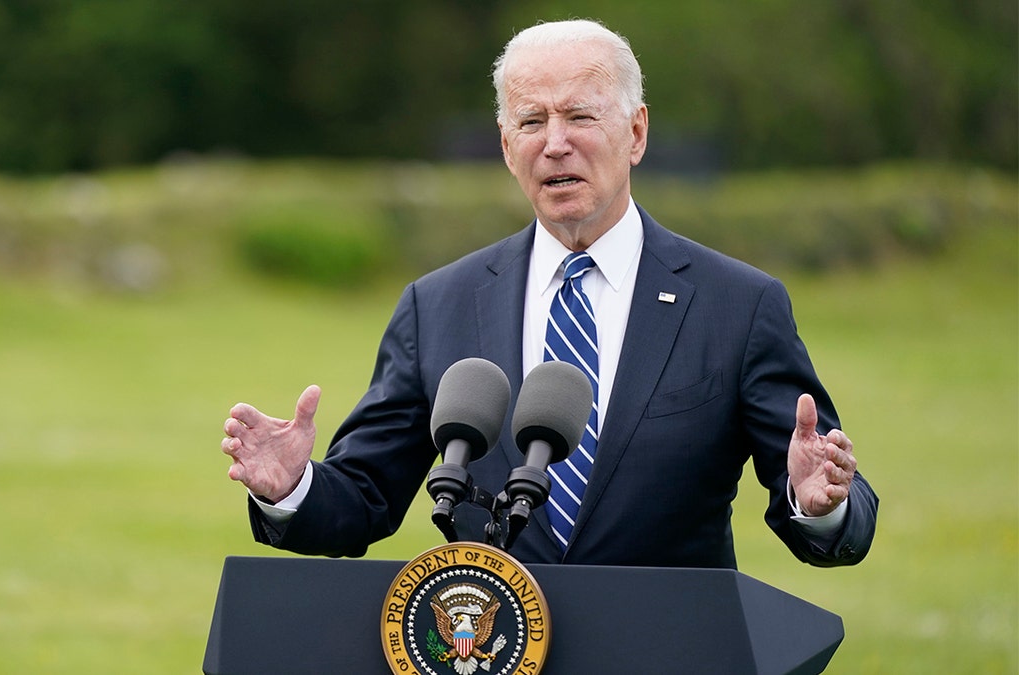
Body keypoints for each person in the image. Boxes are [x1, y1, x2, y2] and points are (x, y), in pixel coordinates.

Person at [221, 19, 878, 568]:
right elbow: (363, 496)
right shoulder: (438, 305)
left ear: (637, 133)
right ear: (508, 148)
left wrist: (821, 501)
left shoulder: (737, 305)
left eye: (580, 116)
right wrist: (294, 487)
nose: (555, 143)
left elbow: (827, 494)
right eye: (531, 121)